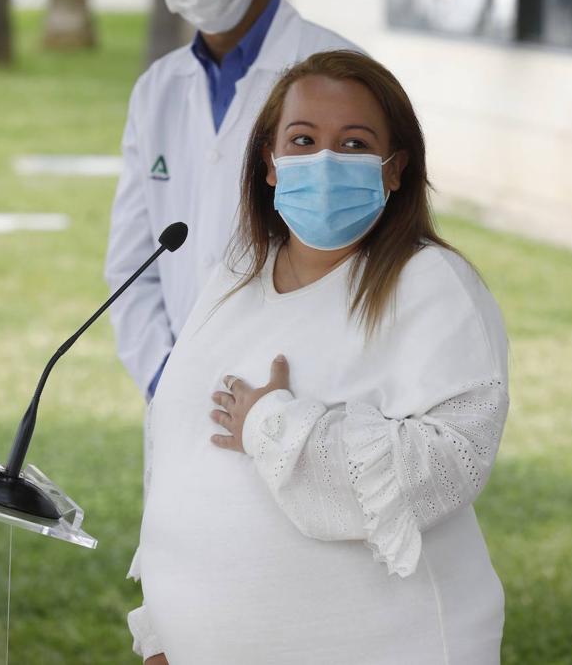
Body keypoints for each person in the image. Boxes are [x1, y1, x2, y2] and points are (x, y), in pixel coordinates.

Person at [129, 50, 509, 664]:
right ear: (271, 163)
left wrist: (275, 426)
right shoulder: (235, 278)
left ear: (395, 169)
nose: (325, 161)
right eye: (302, 139)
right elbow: (173, 451)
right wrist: (161, 630)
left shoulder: (433, 285)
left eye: (355, 144)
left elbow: (449, 465)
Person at [105, 0, 360, 400]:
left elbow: (366, 255)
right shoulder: (158, 91)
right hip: (179, 395)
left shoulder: (338, 73)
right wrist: (164, 377)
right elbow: (133, 264)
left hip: (299, 395)